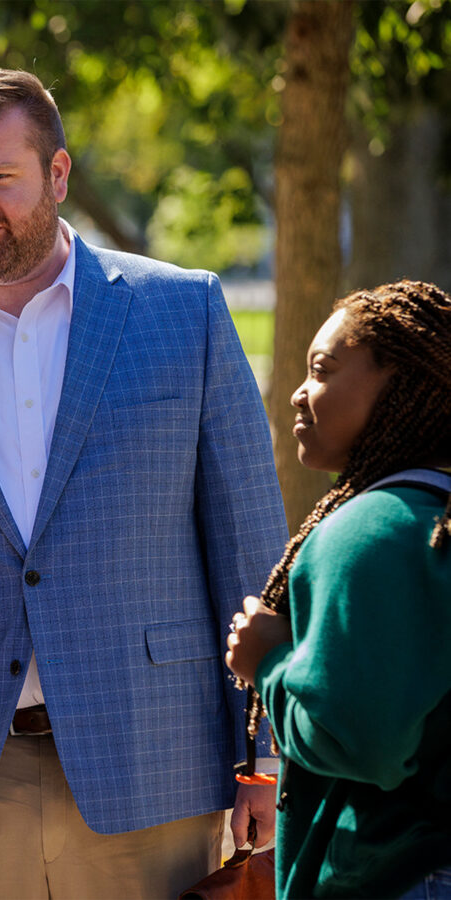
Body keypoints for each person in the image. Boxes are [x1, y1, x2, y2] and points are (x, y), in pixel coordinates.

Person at [0, 69, 287, 899]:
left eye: (1, 177)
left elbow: (251, 554)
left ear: (58, 175)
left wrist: (266, 756)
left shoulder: (186, 313)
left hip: (152, 767)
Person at [226, 280, 451, 899]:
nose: (299, 393)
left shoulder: (371, 530)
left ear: (403, 384)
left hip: (399, 874)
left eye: (322, 370)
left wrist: (267, 661)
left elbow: (358, 741)